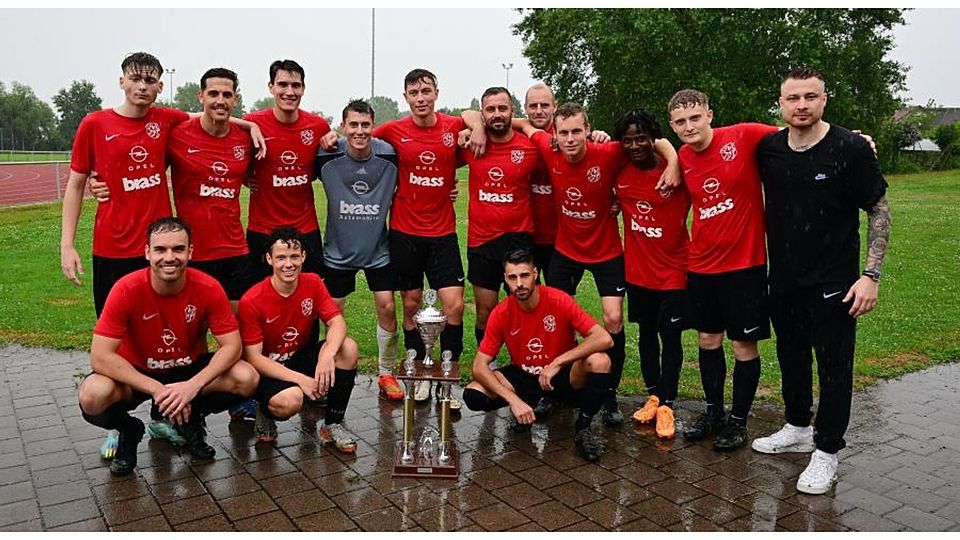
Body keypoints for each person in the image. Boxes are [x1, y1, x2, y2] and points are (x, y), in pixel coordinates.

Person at [753, 68, 890, 494]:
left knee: (833, 368)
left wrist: (871, 275)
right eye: (793, 98)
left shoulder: (850, 147)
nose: (801, 105)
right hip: (785, 278)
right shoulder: (769, 149)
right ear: (781, 103)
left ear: (824, 100)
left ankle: (827, 451)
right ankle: (797, 427)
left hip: (835, 281)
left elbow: (879, 210)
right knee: (792, 357)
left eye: (810, 97)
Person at [514, 103, 680, 426]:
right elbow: (521, 124)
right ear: (555, 135)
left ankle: (608, 392)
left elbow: (653, 139)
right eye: (564, 133)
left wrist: (673, 160)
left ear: (588, 130)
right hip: (567, 250)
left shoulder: (608, 152)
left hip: (606, 251)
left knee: (613, 318)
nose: (571, 139)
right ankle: (553, 387)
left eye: (577, 131)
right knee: (554, 316)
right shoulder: (548, 150)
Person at [76, 217, 259, 475]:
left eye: (178, 249)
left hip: (188, 370)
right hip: (138, 373)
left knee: (246, 377)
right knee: (92, 395)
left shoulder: (208, 287)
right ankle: (129, 430)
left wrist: (191, 387)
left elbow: (232, 346)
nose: (169, 257)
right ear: (147, 252)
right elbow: (100, 357)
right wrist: (158, 390)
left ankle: (191, 418)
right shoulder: (125, 289)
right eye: (161, 249)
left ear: (190, 252)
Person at [667, 89, 778, 450]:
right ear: (673, 126)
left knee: (743, 345)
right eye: (681, 122)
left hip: (744, 266)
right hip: (701, 266)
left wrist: (851, 138)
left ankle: (738, 421)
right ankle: (713, 412)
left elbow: (797, 132)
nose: (689, 126)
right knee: (707, 340)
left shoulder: (744, 135)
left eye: (695, 118)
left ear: (710, 115)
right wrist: (671, 160)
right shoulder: (683, 155)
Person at [372, 68, 483, 404]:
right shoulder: (391, 130)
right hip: (404, 233)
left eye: (426, 91)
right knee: (411, 305)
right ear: (405, 97)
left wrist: (475, 125)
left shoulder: (452, 127)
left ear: (437, 93)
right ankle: (419, 371)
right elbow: (358, 139)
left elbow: (476, 119)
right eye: (413, 93)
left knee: (454, 306)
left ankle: (448, 380)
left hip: (442, 234)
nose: (420, 98)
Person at [462, 248, 613, 463]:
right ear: (506, 279)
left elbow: (603, 338)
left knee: (600, 361)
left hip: (561, 374)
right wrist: (514, 401)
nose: (519, 284)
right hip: (525, 375)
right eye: (512, 278)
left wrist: (558, 361)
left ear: (534, 273)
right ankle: (526, 407)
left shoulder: (558, 300)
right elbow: (479, 366)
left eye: (524, 275)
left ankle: (583, 428)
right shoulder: (501, 312)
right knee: (474, 394)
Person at [238, 227, 360, 452]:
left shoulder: (312, 281)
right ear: (269, 259)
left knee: (348, 348)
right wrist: (301, 380)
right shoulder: (252, 299)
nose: (288, 264)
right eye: (281, 257)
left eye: (294, 256)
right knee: (291, 401)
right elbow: (253, 357)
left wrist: (327, 354)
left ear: (303, 256)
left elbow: (337, 322)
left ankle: (332, 423)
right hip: (269, 369)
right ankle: (264, 412)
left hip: (299, 358)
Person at [314, 100, 403, 402]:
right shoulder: (326, 154)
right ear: (343, 126)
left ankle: (386, 372)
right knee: (334, 313)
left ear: (373, 125)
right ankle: (331, 374)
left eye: (365, 125)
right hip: (337, 251)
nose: (359, 131)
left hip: (378, 248)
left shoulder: (390, 153)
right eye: (353, 125)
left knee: (387, 306)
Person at [612, 108, 691, 439]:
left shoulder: (678, 170)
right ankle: (654, 395)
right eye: (628, 140)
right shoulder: (620, 173)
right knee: (645, 334)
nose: (634, 146)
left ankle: (668, 405)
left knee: (669, 336)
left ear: (653, 138)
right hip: (638, 272)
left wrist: (672, 161)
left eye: (641, 138)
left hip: (675, 271)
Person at [458, 87, 540, 352]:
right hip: (482, 241)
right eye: (490, 109)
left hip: (519, 237)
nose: (497, 114)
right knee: (485, 310)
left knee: (527, 304)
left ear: (512, 111)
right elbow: (465, 114)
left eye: (502, 108)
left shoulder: (529, 146)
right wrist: (475, 127)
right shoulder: (472, 144)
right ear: (483, 113)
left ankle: (531, 359)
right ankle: (487, 363)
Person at [167, 67, 255, 311]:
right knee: (191, 330)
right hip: (193, 251)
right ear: (201, 96)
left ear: (235, 99)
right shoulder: (177, 135)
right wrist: (98, 179)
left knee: (238, 330)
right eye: (213, 93)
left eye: (227, 95)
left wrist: (250, 127)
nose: (220, 101)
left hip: (235, 250)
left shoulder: (245, 139)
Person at [243, 59, 335, 280]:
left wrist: (337, 138)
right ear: (271, 87)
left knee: (309, 299)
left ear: (303, 88)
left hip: (305, 229)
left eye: (296, 85)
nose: (289, 92)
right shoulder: (251, 123)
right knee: (259, 299)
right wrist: (244, 177)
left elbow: (337, 156)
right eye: (283, 85)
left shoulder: (317, 126)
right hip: (262, 229)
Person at [523, 83, 559, 277]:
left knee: (559, 298)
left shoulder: (566, 136)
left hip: (560, 239)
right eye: (533, 106)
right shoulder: (514, 135)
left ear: (555, 107)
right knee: (526, 296)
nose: (538, 111)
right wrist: (471, 129)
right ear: (525, 108)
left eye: (544, 105)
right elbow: (478, 118)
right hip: (524, 236)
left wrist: (598, 135)